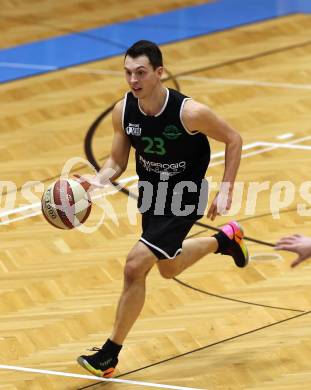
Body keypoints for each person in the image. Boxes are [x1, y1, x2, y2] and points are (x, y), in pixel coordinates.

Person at [77, 40, 249, 378]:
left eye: (140, 72)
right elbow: (116, 161)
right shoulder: (123, 111)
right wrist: (96, 183)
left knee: (134, 265)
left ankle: (109, 354)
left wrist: (226, 188)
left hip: (185, 195)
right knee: (168, 268)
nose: (133, 80)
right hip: (152, 195)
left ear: (159, 73)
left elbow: (233, 139)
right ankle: (225, 240)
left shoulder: (190, 112)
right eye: (127, 73)